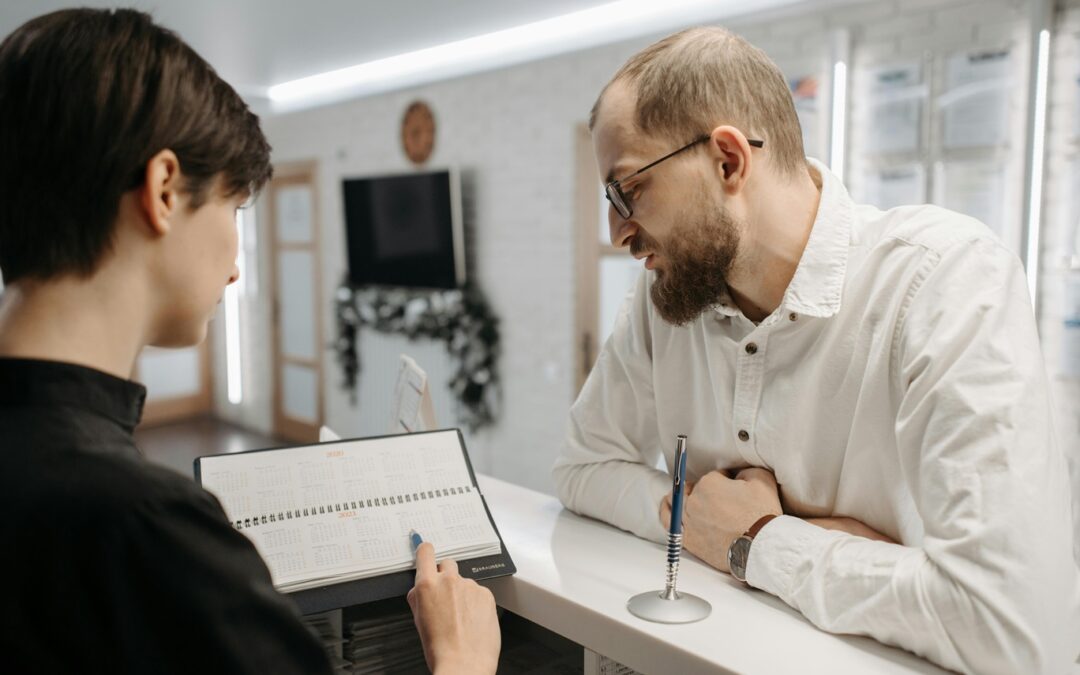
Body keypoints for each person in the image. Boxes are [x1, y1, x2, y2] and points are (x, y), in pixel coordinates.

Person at [554, 25, 1080, 675]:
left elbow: (1018, 632)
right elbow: (580, 467)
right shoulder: (666, 300)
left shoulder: (945, 281)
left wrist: (759, 540)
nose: (616, 232)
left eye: (626, 190)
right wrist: (698, 517)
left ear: (727, 161)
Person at [0, 8, 499, 674]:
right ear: (165, 190)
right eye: (234, 210)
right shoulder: (148, 529)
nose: (237, 264)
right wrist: (461, 658)